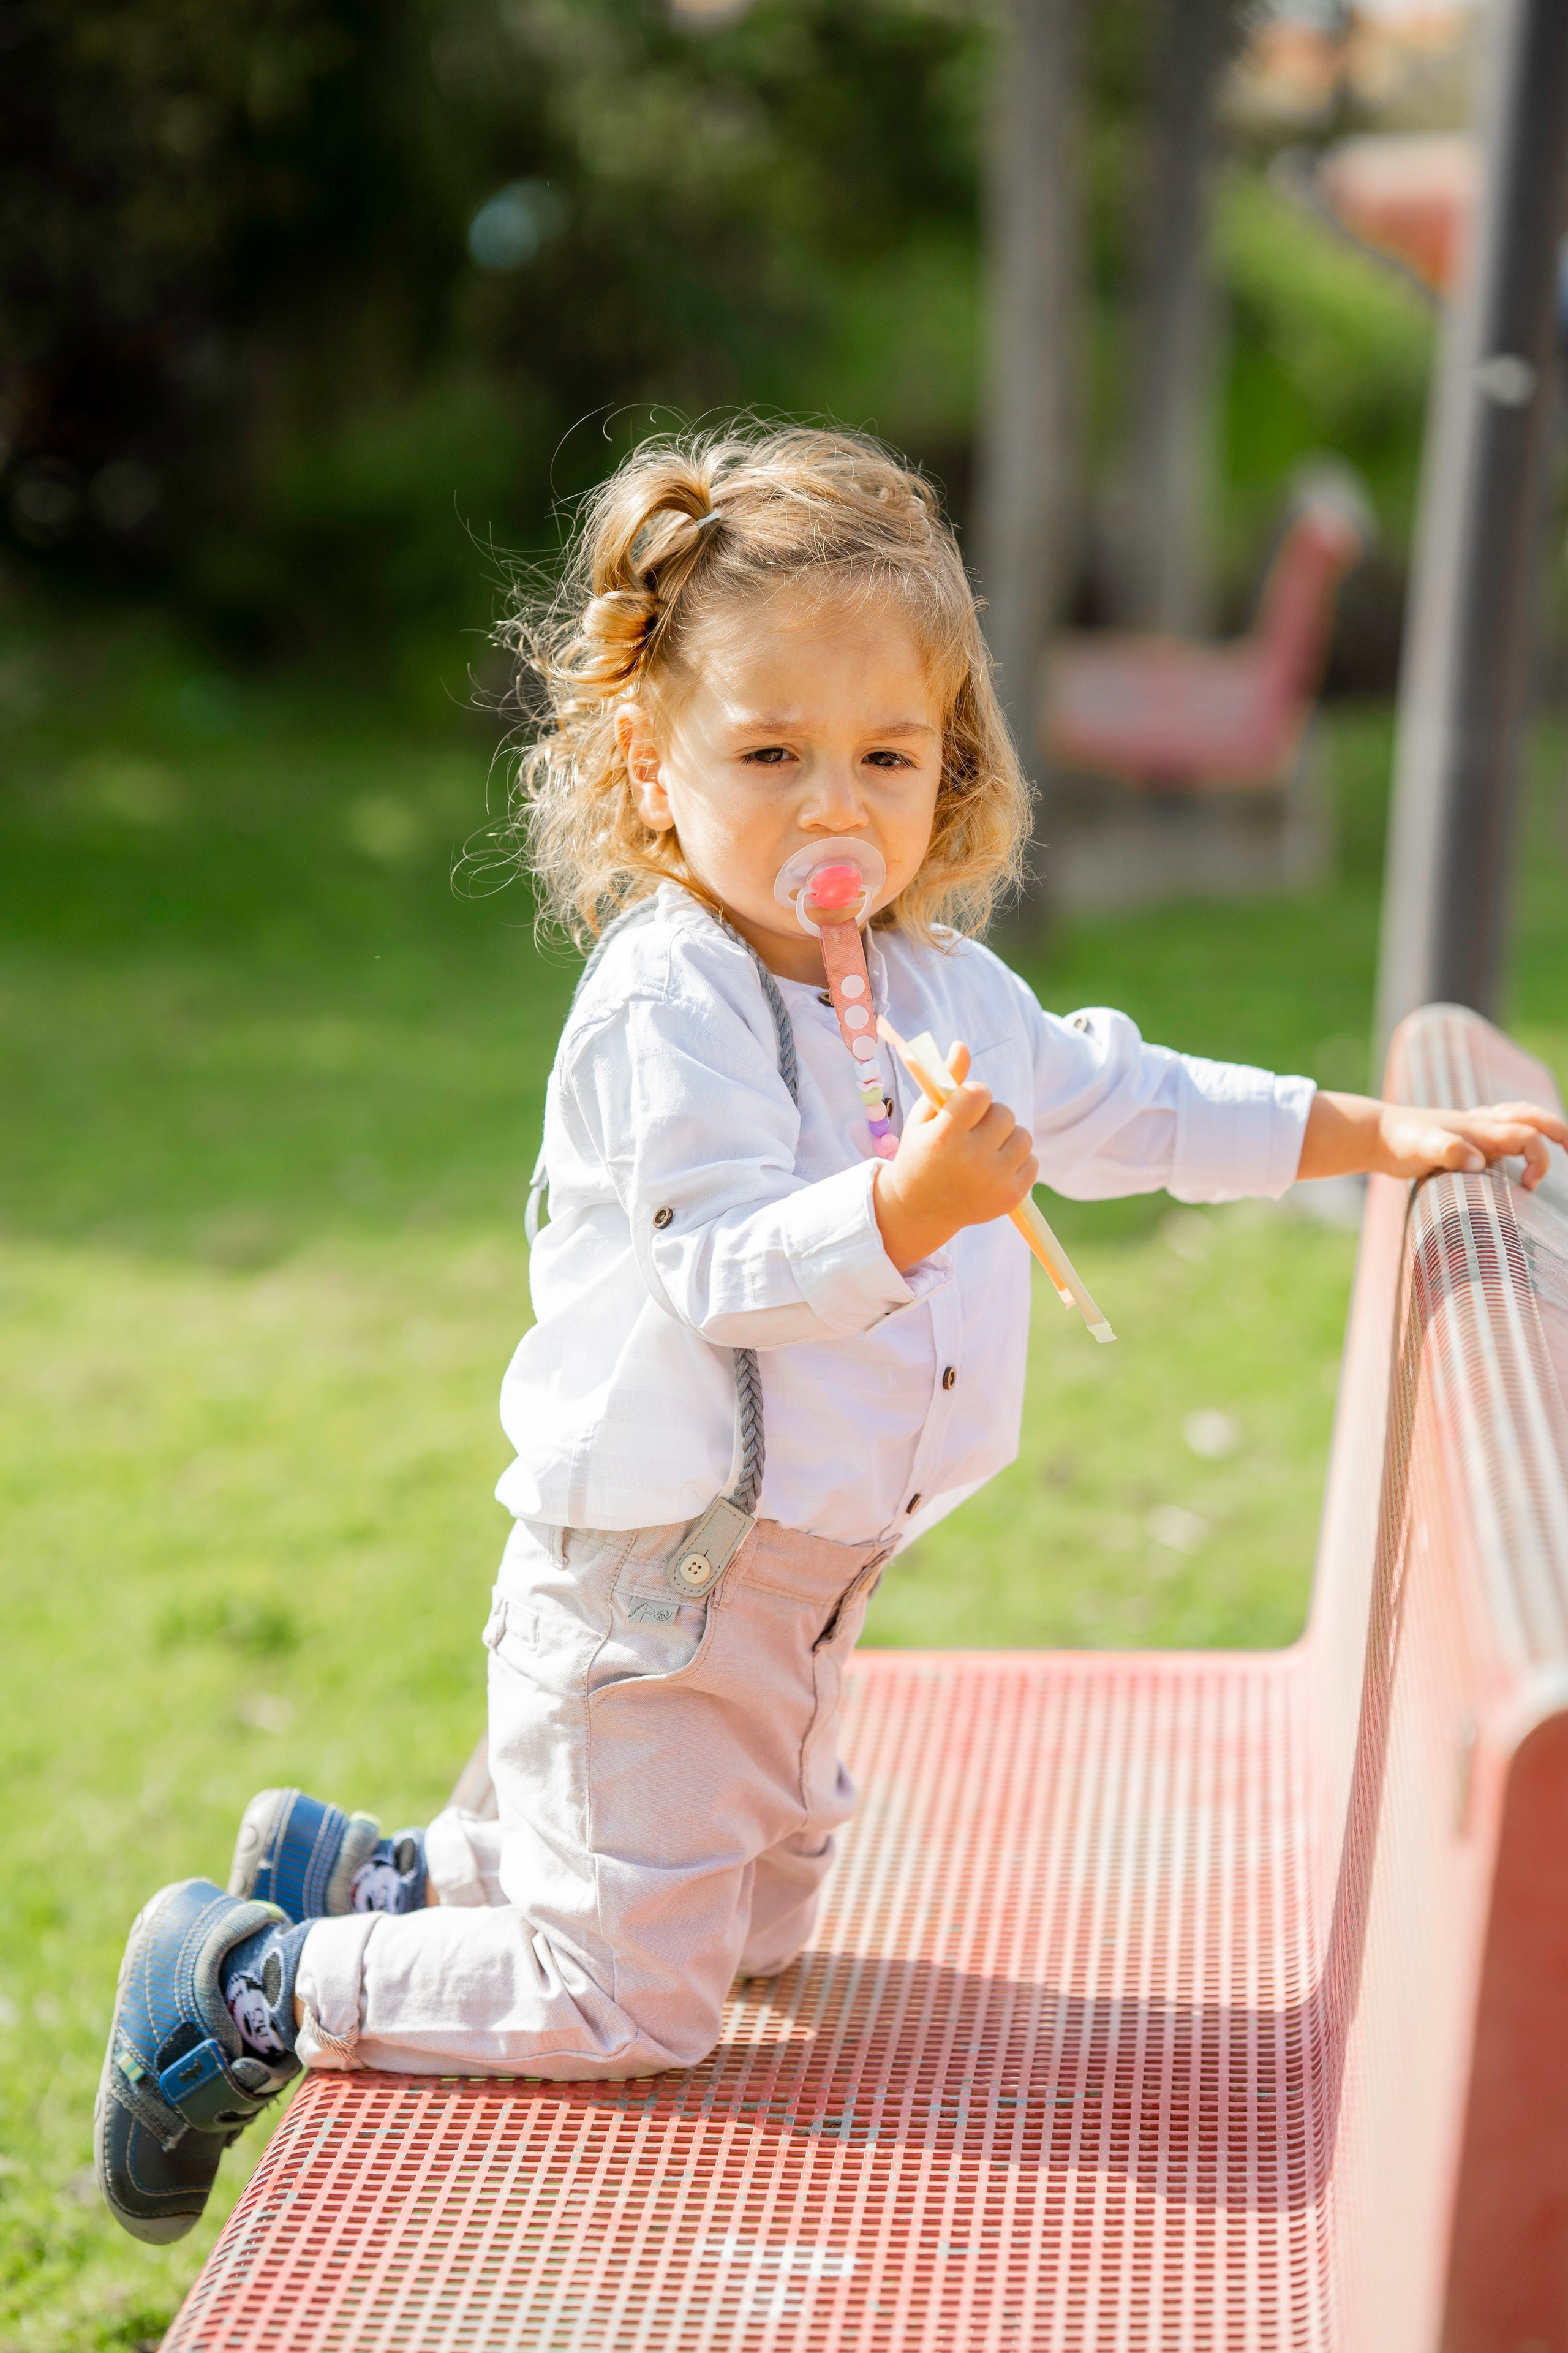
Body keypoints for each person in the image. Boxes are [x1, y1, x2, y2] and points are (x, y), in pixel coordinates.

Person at [95, 425, 1568, 2244]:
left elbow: (1130, 1101)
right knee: (637, 1998)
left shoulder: (947, 991)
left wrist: (1361, 1131)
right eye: (771, 754)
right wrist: (906, 1211)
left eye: (885, 757)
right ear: (654, 761)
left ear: (951, 763)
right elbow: (719, 1263)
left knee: (761, 1923)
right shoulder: (668, 998)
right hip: (646, 1586)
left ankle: (390, 1868)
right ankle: (244, 1979)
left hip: (804, 1596)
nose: (834, 811)